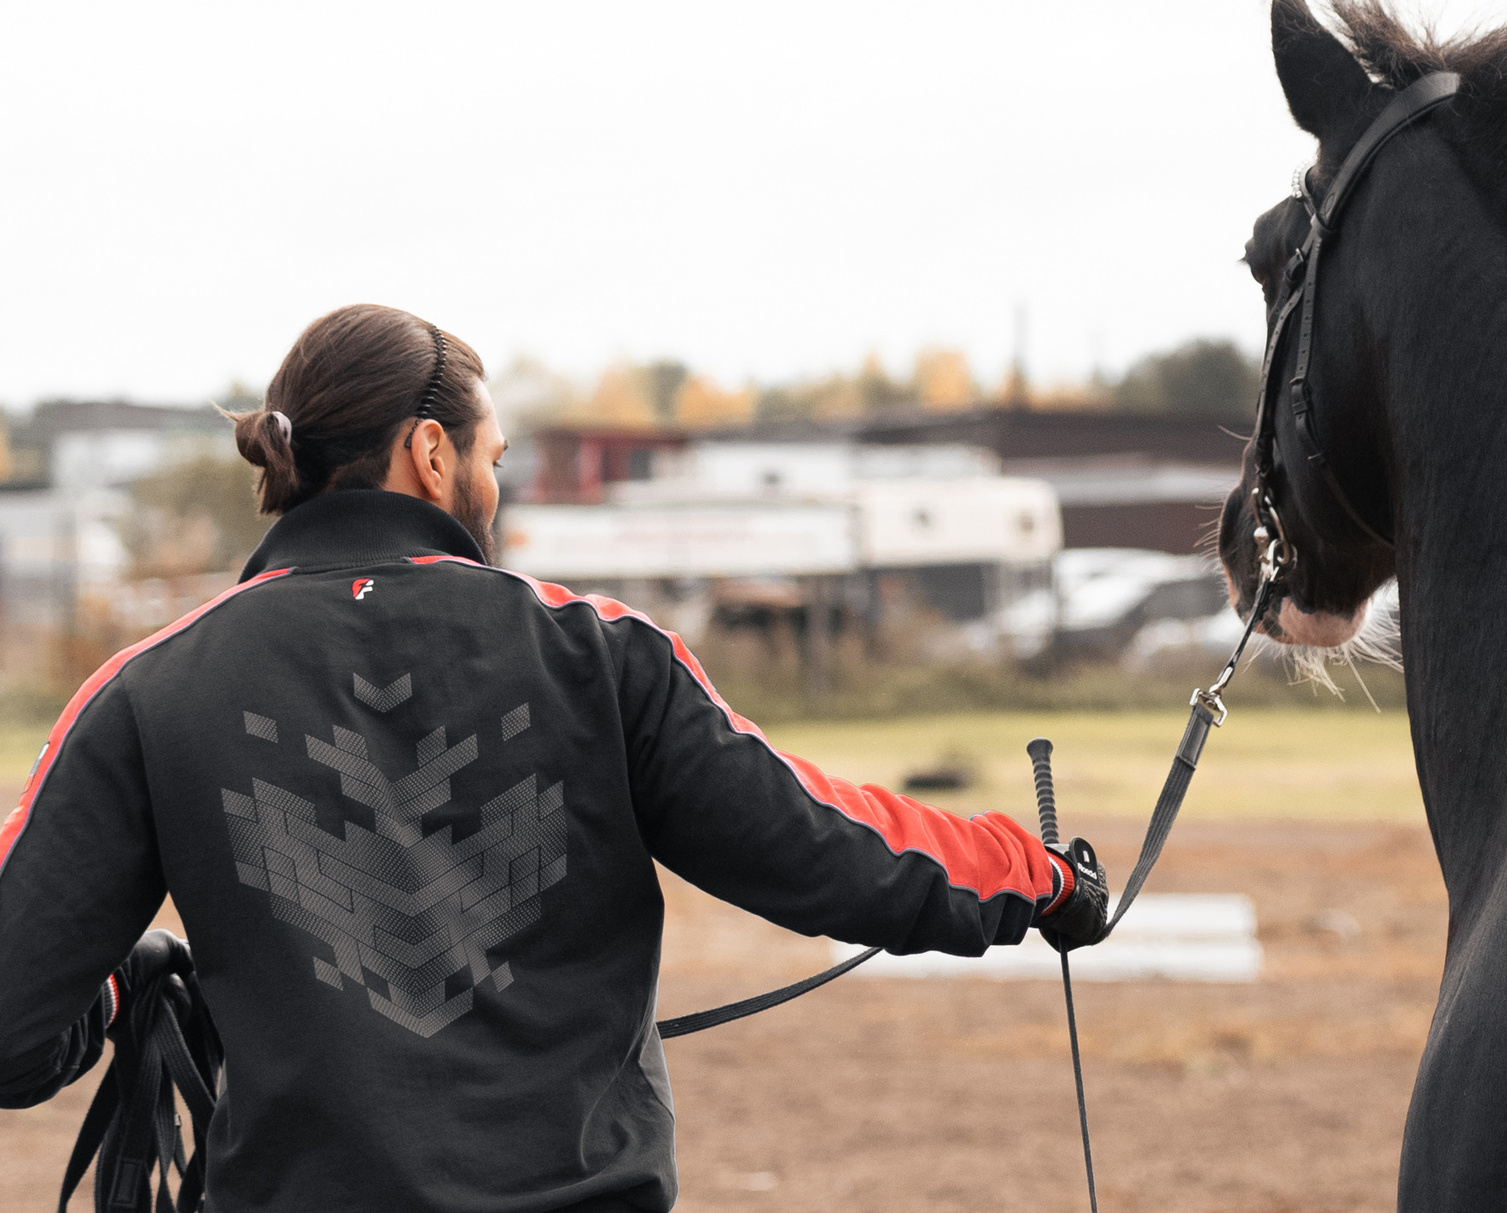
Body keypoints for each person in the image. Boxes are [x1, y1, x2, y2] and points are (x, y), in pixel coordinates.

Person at [0, 304, 1109, 1212]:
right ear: (430, 453)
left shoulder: (150, 686)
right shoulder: (600, 653)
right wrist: (1037, 874)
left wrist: (112, 987)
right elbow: (826, 848)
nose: (496, 481)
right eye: (492, 454)